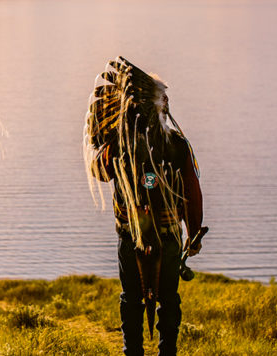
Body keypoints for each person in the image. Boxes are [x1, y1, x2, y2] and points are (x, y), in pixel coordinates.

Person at [84, 56, 204, 356]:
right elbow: (192, 192)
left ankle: (135, 351)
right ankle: (162, 351)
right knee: (164, 298)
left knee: (134, 298)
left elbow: (99, 172)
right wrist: (192, 232)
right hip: (159, 235)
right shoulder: (173, 144)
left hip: (139, 235)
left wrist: (192, 232)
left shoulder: (130, 144)